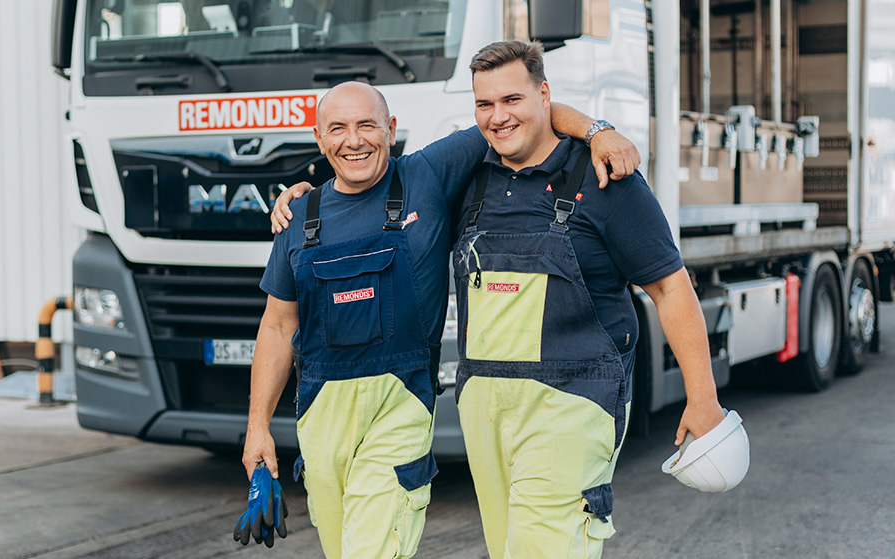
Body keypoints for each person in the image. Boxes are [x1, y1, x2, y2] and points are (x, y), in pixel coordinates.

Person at [243, 79, 640, 559]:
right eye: (338, 129)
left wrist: (597, 131)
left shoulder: (426, 176)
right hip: (321, 420)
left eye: (367, 125)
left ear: (390, 129)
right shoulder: (298, 216)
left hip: (399, 406)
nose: (354, 141)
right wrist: (258, 427)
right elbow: (278, 326)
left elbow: (521, 113)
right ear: (319, 138)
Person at [449, 41, 726, 559]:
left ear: (545, 94)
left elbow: (670, 287)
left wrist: (702, 397)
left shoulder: (606, 181)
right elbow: (376, 188)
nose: (498, 116)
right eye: (484, 104)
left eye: (512, 99)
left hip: (573, 403)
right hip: (485, 408)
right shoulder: (467, 175)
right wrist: (305, 197)